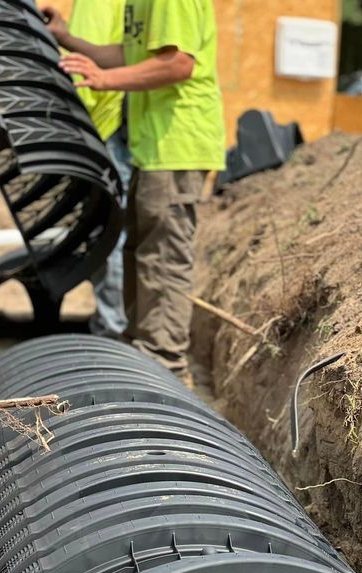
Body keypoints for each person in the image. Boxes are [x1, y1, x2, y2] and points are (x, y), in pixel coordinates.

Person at [43, 0, 225, 383]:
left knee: (163, 256)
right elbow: (130, 55)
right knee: (139, 252)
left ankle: (165, 365)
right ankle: (140, 352)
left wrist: (106, 80)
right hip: (152, 147)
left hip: (178, 144)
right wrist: (68, 39)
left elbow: (178, 63)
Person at [68, 0, 130, 339]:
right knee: (109, 233)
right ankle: (112, 325)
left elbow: (83, 71)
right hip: (105, 127)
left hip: (102, 128)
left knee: (109, 235)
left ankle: (111, 330)